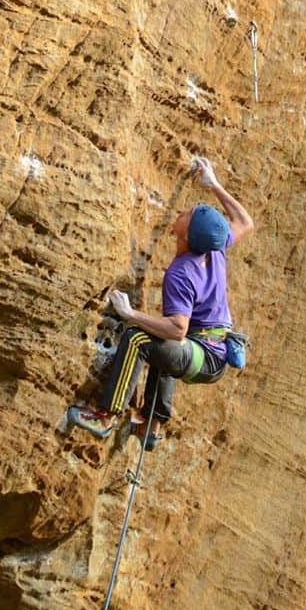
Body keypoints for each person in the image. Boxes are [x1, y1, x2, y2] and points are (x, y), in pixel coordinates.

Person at [67, 157, 253, 449]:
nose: (181, 211)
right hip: (211, 351)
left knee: (140, 338)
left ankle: (106, 416)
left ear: (187, 235)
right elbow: (244, 221)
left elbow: (178, 329)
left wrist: (130, 313)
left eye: (187, 215)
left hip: (203, 355)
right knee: (163, 345)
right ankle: (151, 424)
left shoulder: (182, 273)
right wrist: (214, 184)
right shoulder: (215, 247)